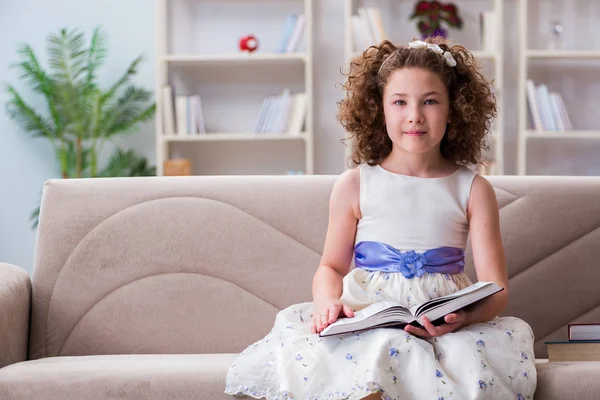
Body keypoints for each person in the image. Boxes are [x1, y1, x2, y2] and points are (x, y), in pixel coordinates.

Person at [224, 36, 537, 400]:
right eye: (400, 102)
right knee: (371, 361)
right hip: (368, 315)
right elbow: (329, 267)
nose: (414, 115)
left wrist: (463, 319)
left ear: (454, 110)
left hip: (440, 325)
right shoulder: (355, 184)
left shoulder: (472, 188)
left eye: (430, 101)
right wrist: (328, 303)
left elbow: (496, 290)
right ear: (379, 110)